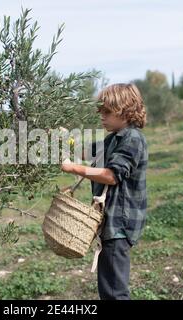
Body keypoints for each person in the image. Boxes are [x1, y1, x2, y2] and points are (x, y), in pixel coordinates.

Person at [60, 83, 148, 300]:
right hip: (111, 223)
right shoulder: (113, 139)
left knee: (114, 293)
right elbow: (89, 153)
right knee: (108, 289)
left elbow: (111, 175)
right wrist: (64, 140)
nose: (102, 117)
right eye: (100, 111)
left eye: (107, 112)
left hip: (119, 225)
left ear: (125, 111)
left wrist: (73, 168)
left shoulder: (132, 139)